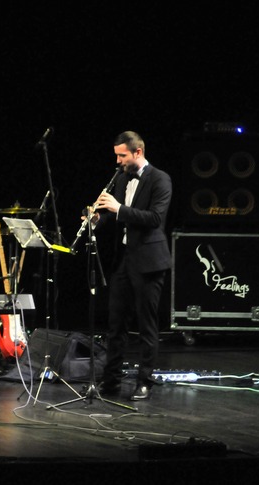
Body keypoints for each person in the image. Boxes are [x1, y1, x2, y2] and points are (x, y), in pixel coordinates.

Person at [92, 131, 172, 401]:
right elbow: (114, 217)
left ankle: (144, 381)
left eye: (122, 155)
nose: (118, 161)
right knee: (116, 325)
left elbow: (155, 218)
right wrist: (97, 219)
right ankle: (111, 381)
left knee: (147, 326)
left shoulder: (160, 179)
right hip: (124, 259)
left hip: (149, 261)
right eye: (116, 155)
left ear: (138, 152)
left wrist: (118, 209)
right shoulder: (122, 178)